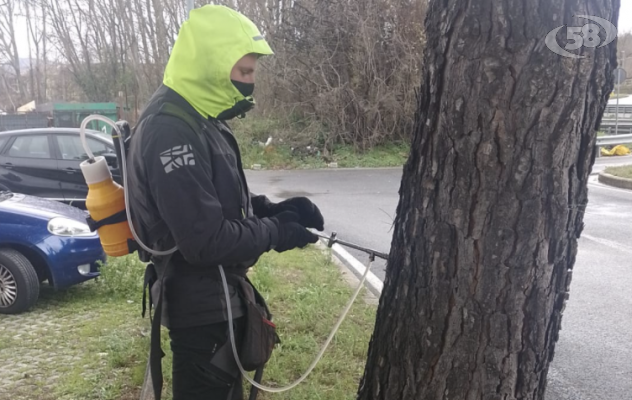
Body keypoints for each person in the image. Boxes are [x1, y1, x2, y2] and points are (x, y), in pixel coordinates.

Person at [125, 5, 324, 400]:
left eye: (252, 73)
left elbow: (216, 197)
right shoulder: (169, 129)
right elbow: (205, 240)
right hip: (199, 310)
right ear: (212, 66)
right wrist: (276, 232)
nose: (250, 83)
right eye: (244, 73)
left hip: (219, 299)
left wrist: (272, 209)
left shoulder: (202, 116)